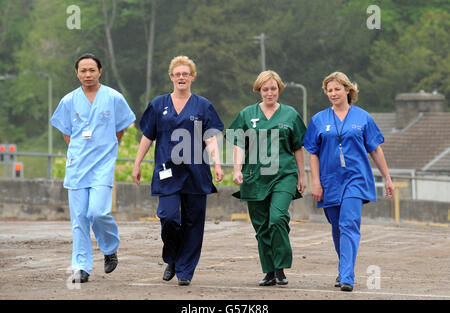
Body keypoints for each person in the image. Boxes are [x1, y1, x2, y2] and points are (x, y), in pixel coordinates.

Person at [132, 56, 224, 286]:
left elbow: (210, 137)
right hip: (167, 172)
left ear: (192, 77)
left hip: (196, 172)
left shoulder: (203, 106)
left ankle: (185, 270)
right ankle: (172, 258)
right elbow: (147, 136)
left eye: (186, 74)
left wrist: (218, 163)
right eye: (177, 74)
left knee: (194, 222)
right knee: (169, 216)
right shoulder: (158, 104)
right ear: (171, 77)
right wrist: (137, 163)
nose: (181, 77)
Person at [303, 71, 394, 292]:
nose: (333, 93)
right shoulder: (319, 120)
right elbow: (312, 152)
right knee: (337, 227)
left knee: (348, 224)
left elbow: (375, 149)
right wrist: (316, 181)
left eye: (337, 89)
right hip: (329, 181)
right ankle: (344, 267)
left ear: (347, 90)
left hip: (356, 178)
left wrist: (387, 178)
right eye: (329, 90)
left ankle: (347, 276)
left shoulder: (363, 118)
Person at [50, 53, 136, 283]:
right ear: (77, 73)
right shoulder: (68, 101)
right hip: (77, 167)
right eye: (83, 70)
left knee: (97, 212)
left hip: (102, 166)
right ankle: (81, 266)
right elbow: (67, 132)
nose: (87, 74)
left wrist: (105, 148)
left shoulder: (114, 97)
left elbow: (121, 128)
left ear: (100, 71)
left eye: (92, 70)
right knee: (79, 219)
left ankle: (109, 248)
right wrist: (79, 152)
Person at [226, 70, 307, 286]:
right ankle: (269, 271)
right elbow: (238, 143)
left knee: (278, 217)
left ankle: (280, 267)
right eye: (265, 89)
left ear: (279, 89)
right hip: (254, 176)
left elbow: (298, 147)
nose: (269, 93)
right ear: (259, 91)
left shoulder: (290, 115)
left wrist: (302, 174)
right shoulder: (246, 114)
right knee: (261, 226)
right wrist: (237, 169)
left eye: (273, 89)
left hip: (284, 174)